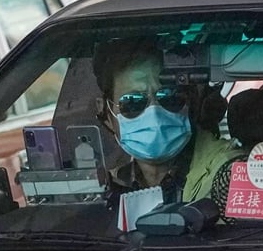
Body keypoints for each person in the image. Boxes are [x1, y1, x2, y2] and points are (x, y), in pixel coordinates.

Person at [92, 37, 245, 212]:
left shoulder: (230, 174)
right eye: (132, 102)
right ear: (106, 113)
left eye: (170, 97)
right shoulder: (105, 188)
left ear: (191, 103)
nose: (154, 113)